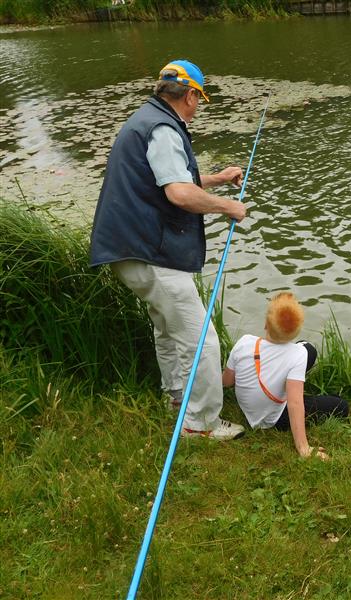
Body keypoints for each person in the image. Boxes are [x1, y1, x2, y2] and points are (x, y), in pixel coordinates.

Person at [90, 59, 247, 440]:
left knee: (166, 327)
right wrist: (228, 206)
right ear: (190, 95)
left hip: (128, 250)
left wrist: (217, 178)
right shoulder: (163, 129)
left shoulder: (146, 119)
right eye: (199, 100)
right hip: (150, 252)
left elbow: (167, 178)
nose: (197, 109)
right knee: (202, 341)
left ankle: (176, 397)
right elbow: (178, 193)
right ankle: (200, 424)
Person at [223, 292, 349, 459]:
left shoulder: (244, 342)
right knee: (341, 406)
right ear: (295, 332)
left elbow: (227, 381)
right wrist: (303, 447)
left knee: (309, 351)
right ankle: (320, 397)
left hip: (249, 407)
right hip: (274, 419)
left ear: (266, 324)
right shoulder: (297, 355)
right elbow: (295, 403)